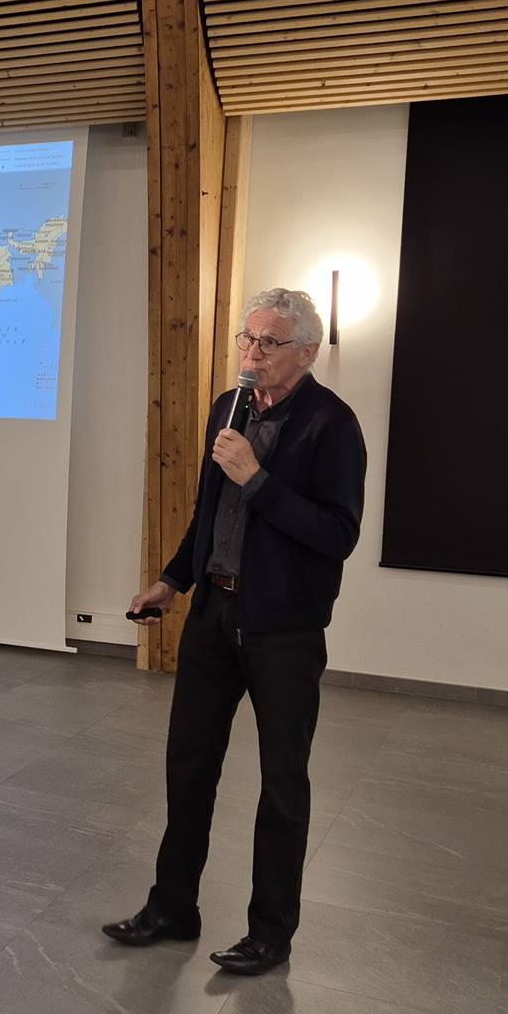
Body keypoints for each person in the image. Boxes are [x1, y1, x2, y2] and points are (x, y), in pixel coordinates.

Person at [103, 287, 366, 976]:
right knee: (188, 767)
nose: (251, 354)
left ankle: (269, 934)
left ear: (306, 352)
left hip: (283, 629)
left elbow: (337, 534)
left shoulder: (333, 425)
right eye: (246, 340)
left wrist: (257, 479)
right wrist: (172, 581)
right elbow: (207, 512)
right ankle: (172, 908)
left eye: (268, 343)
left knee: (281, 784)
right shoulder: (230, 407)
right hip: (214, 616)